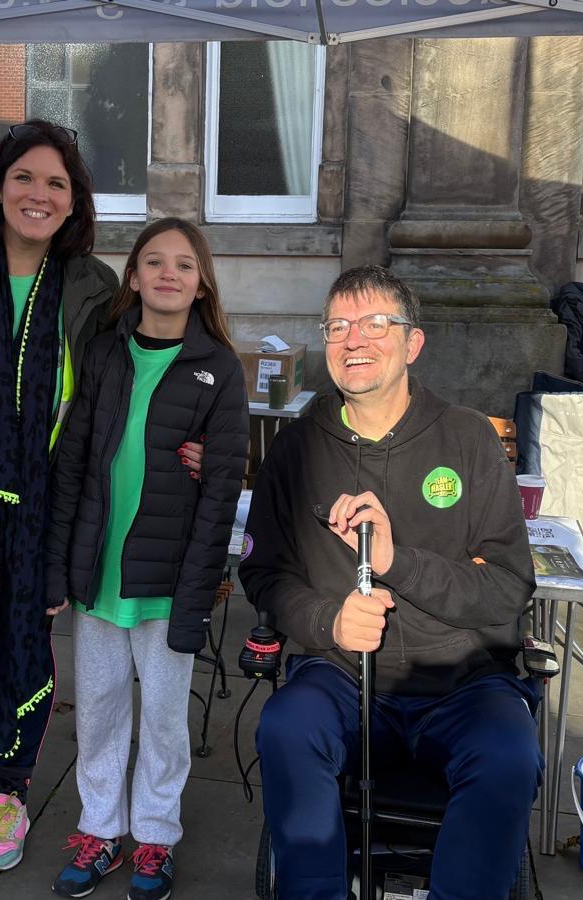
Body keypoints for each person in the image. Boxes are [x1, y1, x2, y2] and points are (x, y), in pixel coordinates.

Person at [0, 119, 203, 873]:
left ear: (74, 204)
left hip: (45, 506)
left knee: (31, 652)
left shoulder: (94, 289)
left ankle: (11, 788)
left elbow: (135, 386)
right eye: (25, 178)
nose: (39, 194)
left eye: (56, 184)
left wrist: (195, 436)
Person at [241, 266, 540, 900]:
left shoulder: (468, 439)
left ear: (412, 343)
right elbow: (264, 573)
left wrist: (399, 561)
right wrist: (328, 621)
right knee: (284, 728)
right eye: (339, 326)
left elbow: (509, 586)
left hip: (463, 680)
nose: (356, 340)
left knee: (509, 758)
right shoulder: (293, 451)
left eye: (377, 323)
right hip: (341, 674)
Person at [43, 219, 248, 900]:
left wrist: (199, 592)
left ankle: (155, 838)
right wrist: (58, 566)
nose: (168, 274)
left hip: (168, 585)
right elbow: (72, 462)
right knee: (100, 710)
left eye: (184, 265)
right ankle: (100, 830)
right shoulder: (102, 354)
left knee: (163, 718)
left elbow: (221, 490)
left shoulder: (219, 368)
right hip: (99, 580)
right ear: (131, 277)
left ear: (201, 282)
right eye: (153, 262)